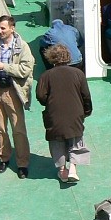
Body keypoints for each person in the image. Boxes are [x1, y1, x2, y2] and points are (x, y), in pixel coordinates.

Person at [0, 15, 34, 179]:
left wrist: (4, 66)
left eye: (3, 28)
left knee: (18, 129)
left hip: (13, 91)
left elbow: (25, 69)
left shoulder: (22, 47)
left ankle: (22, 163)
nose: (0, 31)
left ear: (12, 28)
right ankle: (3, 158)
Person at [36, 44, 93, 183]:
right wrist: (86, 111)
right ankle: (73, 167)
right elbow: (86, 95)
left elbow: (41, 96)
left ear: (51, 58)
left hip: (54, 114)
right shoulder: (78, 73)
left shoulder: (45, 76)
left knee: (56, 141)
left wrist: (49, 103)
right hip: (75, 113)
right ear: (68, 56)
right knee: (76, 139)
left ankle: (62, 171)